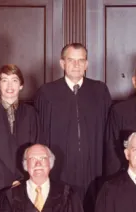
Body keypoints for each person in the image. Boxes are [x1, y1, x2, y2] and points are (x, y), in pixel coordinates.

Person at [34, 43, 112, 202]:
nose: (76, 65)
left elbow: (110, 133)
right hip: (60, 167)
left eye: (81, 60)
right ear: (62, 63)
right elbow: (39, 134)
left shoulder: (99, 91)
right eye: (71, 60)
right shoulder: (47, 93)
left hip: (94, 167)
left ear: (86, 64)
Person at [0, 64, 38, 204]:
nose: (9, 85)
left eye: (14, 80)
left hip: (25, 184)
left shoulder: (31, 114)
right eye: (4, 80)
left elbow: (36, 148)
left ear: (21, 85)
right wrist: (8, 181)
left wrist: (22, 179)